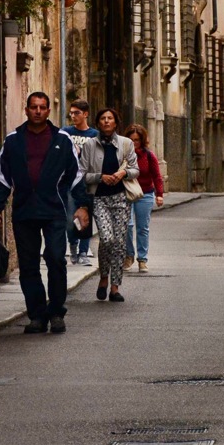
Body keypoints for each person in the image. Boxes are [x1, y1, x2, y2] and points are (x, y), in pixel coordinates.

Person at [0, 92, 89, 335]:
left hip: (54, 209)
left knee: (55, 258)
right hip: (24, 210)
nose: (38, 111)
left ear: (48, 111)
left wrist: (83, 205)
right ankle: (36, 315)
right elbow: (3, 178)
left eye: (42, 107)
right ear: (26, 110)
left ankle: (56, 312)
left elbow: (76, 176)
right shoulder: (13, 141)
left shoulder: (62, 140)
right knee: (29, 264)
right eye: (33, 107)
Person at [80, 109, 138, 302]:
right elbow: (82, 174)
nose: (106, 121)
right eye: (103, 118)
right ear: (98, 122)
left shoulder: (126, 143)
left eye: (110, 118)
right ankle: (103, 277)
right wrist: (100, 177)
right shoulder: (90, 145)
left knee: (120, 243)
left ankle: (115, 287)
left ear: (115, 122)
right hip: (99, 198)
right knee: (106, 239)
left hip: (121, 198)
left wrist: (123, 174)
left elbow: (135, 169)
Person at [123, 123, 164, 273]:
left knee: (143, 228)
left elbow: (156, 176)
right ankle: (128, 255)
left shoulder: (148, 155)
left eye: (137, 140)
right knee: (127, 225)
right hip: (127, 193)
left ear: (142, 140)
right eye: (131, 140)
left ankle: (142, 259)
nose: (134, 143)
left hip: (145, 193)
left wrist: (159, 195)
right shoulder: (122, 155)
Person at [63, 99, 99, 267]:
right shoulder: (66, 132)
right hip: (70, 183)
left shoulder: (94, 135)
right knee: (70, 217)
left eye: (77, 113)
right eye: (71, 113)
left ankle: (84, 252)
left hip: (87, 183)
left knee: (86, 217)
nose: (73, 116)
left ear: (85, 114)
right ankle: (73, 246)